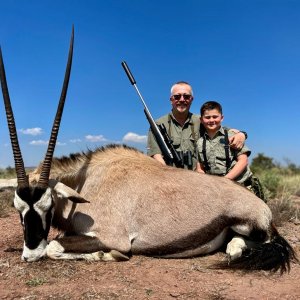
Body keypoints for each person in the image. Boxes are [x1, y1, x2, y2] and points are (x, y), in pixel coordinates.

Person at [147, 81, 247, 170]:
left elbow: (223, 131)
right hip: (171, 178)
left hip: (198, 179)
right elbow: (155, 154)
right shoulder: (158, 125)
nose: (182, 100)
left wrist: (242, 134)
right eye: (177, 96)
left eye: (186, 96)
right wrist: (169, 174)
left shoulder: (202, 120)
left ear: (191, 99)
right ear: (171, 99)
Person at [196, 100, 265, 201]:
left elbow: (243, 161)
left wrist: (225, 181)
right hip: (216, 190)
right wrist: (207, 184)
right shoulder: (200, 142)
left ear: (222, 118)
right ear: (201, 119)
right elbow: (200, 168)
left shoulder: (232, 135)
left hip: (240, 186)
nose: (211, 120)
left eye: (215, 117)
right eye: (207, 117)